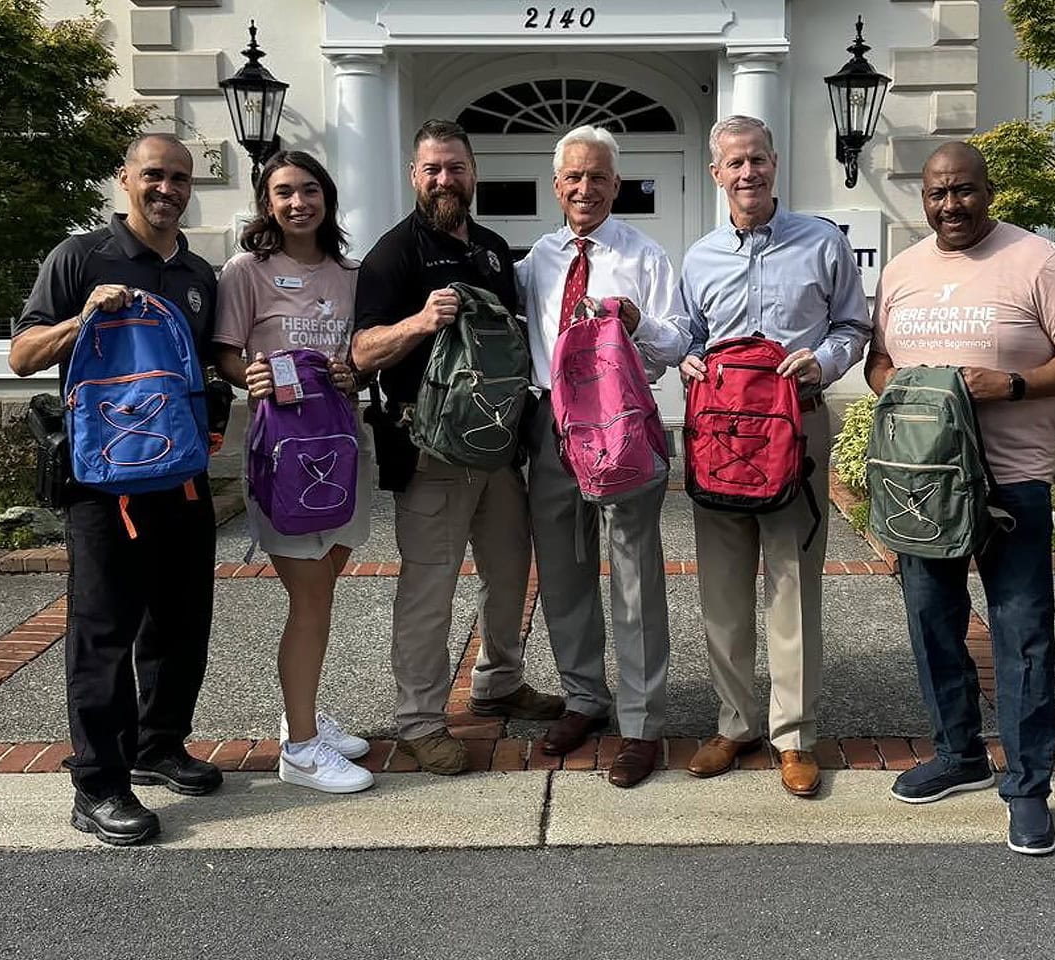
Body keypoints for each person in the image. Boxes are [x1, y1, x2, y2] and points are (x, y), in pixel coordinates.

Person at [866, 141, 1055, 855]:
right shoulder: (903, 270)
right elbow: (880, 359)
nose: (951, 205)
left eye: (964, 191)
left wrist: (1012, 385)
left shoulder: (1039, 261)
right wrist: (904, 393)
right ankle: (959, 753)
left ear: (989, 191)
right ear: (924, 198)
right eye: (938, 193)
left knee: (1022, 633)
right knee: (932, 622)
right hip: (923, 484)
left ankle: (1029, 786)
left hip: (1013, 481)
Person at [9, 134, 222, 845]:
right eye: (154, 175)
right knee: (104, 630)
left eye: (180, 178)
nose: (168, 188)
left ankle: (160, 744)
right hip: (103, 483)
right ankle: (99, 783)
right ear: (125, 179)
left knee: (182, 619)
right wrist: (82, 318)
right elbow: (22, 354)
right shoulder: (79, 257)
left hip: (181, 476)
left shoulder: (197, 271)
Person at [351, 120, 563, 775]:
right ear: (415, 176)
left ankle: (498, 682)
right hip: (429, 451)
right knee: (428, 590)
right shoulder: (393, 255)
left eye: (455, 168)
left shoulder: (496, 251)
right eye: (432, 169)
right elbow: (360, 354)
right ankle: (418, 720)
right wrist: (420, 321)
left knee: (509, 575)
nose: (445, 179)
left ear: (473, 174)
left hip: (496, 451)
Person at [679, 115, 871, 798]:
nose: (748, 172)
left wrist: (823, 360)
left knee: (791, 585)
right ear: (716, 174)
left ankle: (794, 735)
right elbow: (689, 333)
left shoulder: (821, 242)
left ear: (775, 163)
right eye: (734, 163)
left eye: (757, 159)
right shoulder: (699, 256)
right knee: (722, 591)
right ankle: (735, 723)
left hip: (799, 430)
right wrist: (685, 356)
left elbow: (854, 325)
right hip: (722, 436)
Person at [516, 125, 691, 788]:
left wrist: (637, 319)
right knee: (563, 570)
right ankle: (585, 697)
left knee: (635, 575)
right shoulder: (539, 258)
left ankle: (642, 722)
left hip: (621, 428)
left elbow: (676, 344)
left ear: (616, 185)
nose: (585, 188)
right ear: (557, 186)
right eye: (574, 178)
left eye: (598, 177)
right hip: (552, 428)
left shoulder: (643, 254)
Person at [214, 151, 375, 794]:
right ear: (267, 203)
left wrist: (354, 371)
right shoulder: (246, 271)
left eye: (309, 189)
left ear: (327, 197)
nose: (298, 202)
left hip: (343, 445)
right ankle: (302, 750)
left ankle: (301, 714)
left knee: (325, 582)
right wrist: (245, 374)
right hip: (283, 452)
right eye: (283, 192)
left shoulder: (350, 273)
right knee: (310, 599)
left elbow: (363, 352)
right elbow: (225, 352)